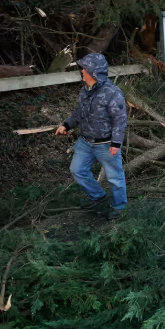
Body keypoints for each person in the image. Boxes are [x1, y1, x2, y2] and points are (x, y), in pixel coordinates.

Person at [55, 53, 128, 220]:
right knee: (77, 170)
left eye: (85, 69)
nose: (82, 72)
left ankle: (120, 208)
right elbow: (79, 111)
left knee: (115, 178)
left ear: (94, 71)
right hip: (85, 142)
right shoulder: (85, 90)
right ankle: (98, 196)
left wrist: (116, 143)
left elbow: (120, 120)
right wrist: (66, 125)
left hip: (106, 143)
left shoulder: (112, 93)